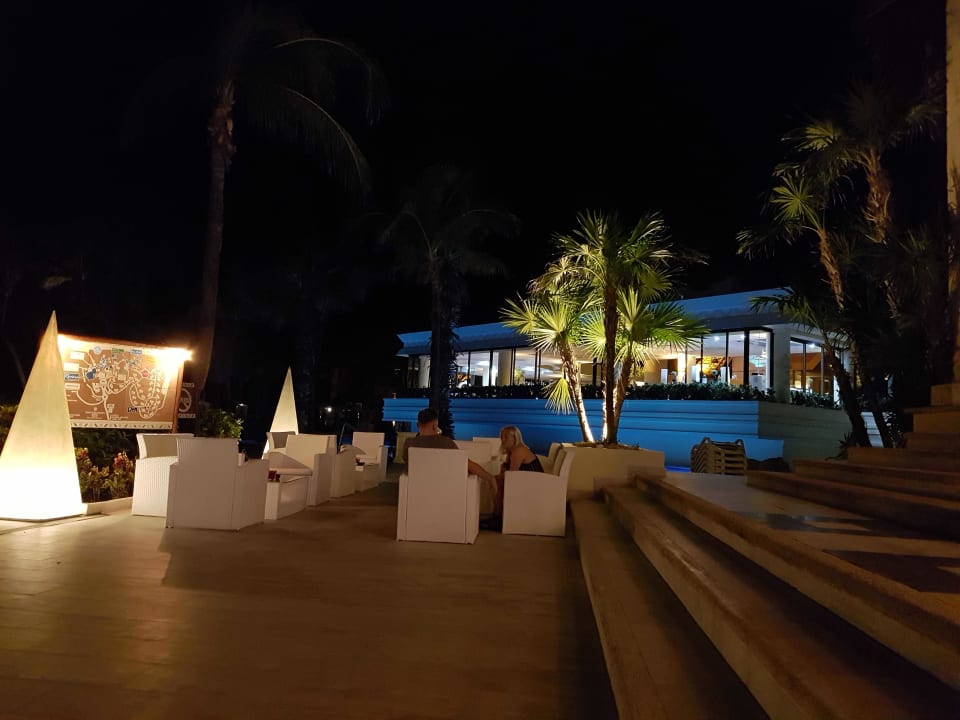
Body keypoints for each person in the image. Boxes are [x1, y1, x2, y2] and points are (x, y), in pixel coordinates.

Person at [402, 407, 496, 485]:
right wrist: (491, 478)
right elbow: (468, 465)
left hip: (417, 487)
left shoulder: (409, 444)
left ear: (418, 425)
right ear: (435, 426)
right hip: (446, 488)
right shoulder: (446, 443)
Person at [492, 425, 543, 518]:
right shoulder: (512, 451)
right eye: (501, 437)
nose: (503, 440)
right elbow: (506, 469)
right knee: (497, 481)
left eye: (506, 437)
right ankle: (498, 515)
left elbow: (511, 475)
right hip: (527, 480)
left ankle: (498, 515)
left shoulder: (518, 451)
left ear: (515, 438)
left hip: (534, 484)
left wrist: (497, 477)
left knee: (496, 482)